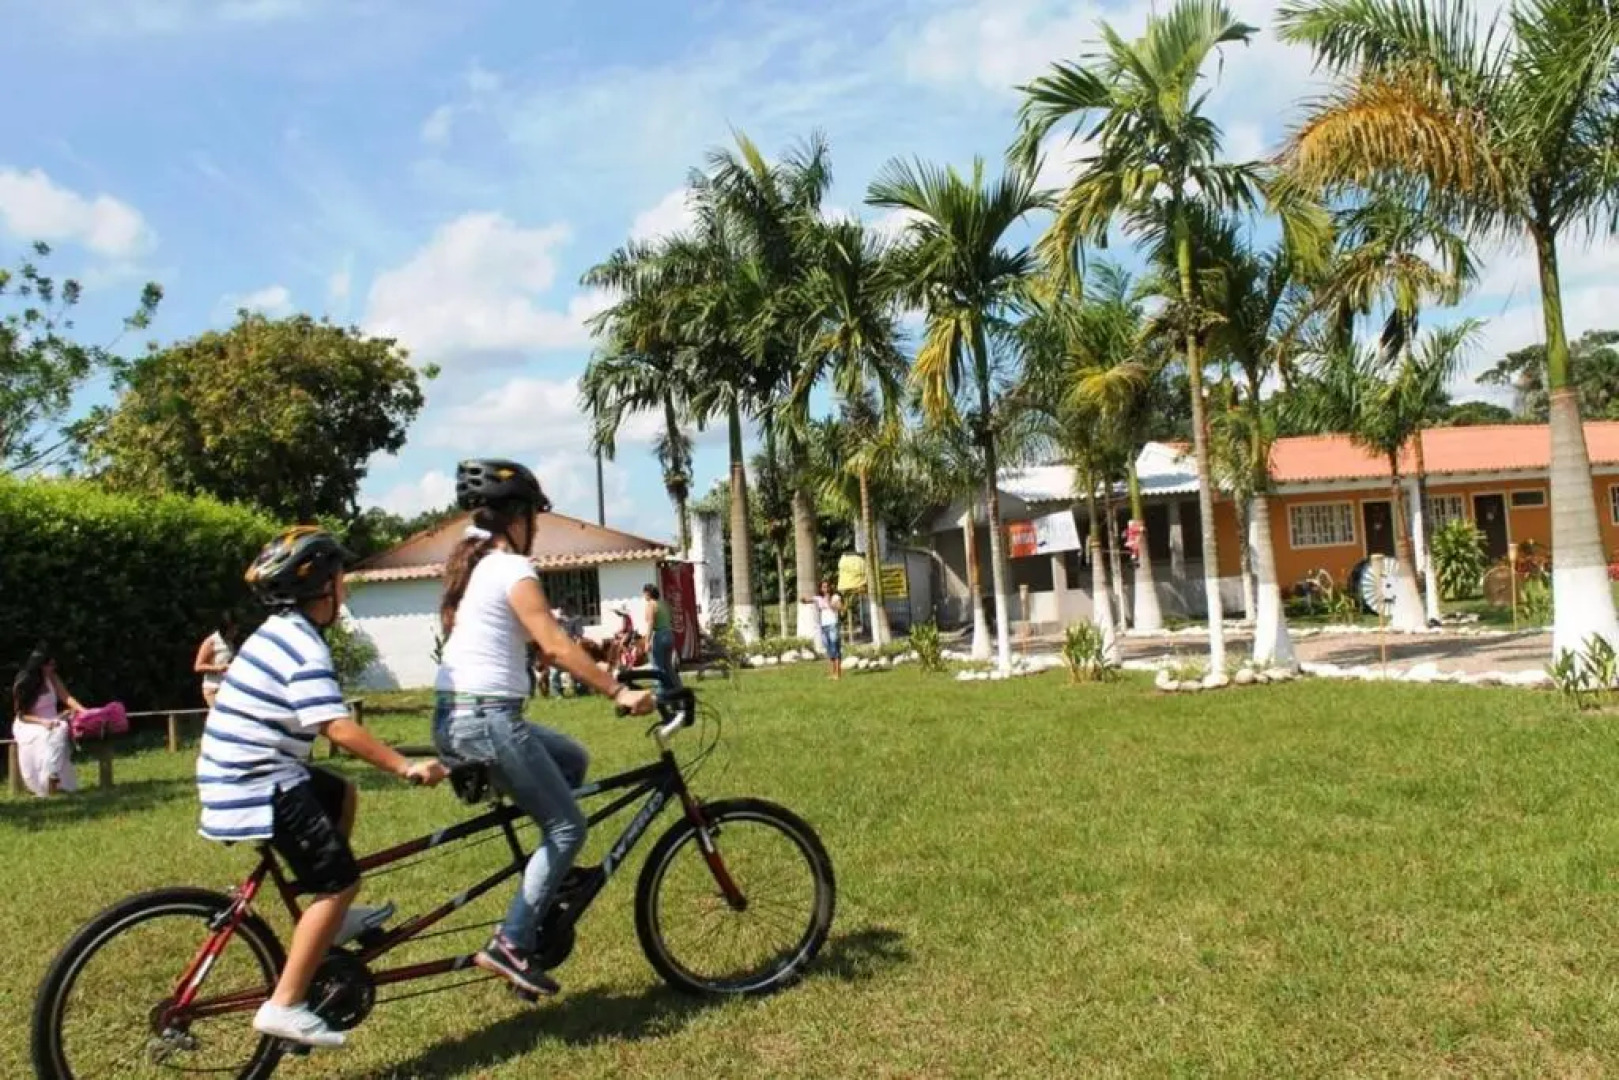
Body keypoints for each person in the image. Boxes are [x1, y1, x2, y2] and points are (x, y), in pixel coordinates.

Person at [194, 526, 448, 1049]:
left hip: (248, 769)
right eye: (341, 579)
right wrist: (405, 766)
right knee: (339, 880)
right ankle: (284, 1004)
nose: (346, 589)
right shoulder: (303, 646)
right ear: (322, 588)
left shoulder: (278, 631)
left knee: (339, 793)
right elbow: (336, 726)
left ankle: (327, 922)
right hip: (257, 781)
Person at [432, 458, 655, 998]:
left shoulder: (479, 567)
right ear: (519, 518)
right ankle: (509, 944)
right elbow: (554, 645)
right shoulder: (512, 570)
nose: (536, 527)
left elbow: (549, 650)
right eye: (534, 516)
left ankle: (551, 879)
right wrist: (618, 689)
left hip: (460, 717)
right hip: (487, 720)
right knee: (567, 828)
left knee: (572, 760)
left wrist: (597, 660)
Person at [10, 645, 83, 796]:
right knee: (51, 734)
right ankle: (47, 779)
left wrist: (84, 711)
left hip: (52, 720)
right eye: (51, 665)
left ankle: (52, 774)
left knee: (60, 728)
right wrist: (43, 722)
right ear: (41, 666)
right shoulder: (24, 683)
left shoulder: (52, 678)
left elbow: (66, 697)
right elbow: (22, 715)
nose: (53, 668)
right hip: (29, 723)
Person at [193, 612, 240, 708]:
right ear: (225, 629)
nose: (235, 632)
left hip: (227, 687)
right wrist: (219, 668)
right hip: (213, 688)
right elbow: (198, 666)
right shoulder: (211, 642)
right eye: (232, 630)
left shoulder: (230, 643)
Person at [801, 580, 844, 680]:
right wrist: (803, 600)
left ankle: (838, 673)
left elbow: (840, 608)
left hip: (833, 624)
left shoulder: (835, 597)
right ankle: (832, 673)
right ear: (821, 588)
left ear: (830, 587)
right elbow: (809, 600)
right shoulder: (819, 598)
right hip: (824, 626)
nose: (826, 589)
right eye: (823, 587)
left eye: (827, 587)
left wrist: (829, 601)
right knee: (829, 649)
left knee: (835, 648)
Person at [642, 583, 681, 690]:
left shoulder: (651, 605)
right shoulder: (664, 604)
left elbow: (650, 623)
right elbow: (671, 619)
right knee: (668, 666)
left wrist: (647, 642)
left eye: (644, 593)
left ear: (648, 593)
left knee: (657, 666)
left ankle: (661, 693)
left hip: (659, 635)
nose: (644, 596)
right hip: (669, 634)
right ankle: (678, 688)